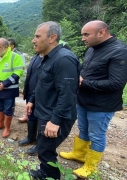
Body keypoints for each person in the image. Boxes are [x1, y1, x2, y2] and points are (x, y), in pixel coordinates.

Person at [59, 20, 127, 179]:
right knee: (83, 129)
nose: (83, 38)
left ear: (101, 32)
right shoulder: (92, 48)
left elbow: (116, 83)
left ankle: (90, 166)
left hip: (102, 105)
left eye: (86, 34)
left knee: (96, 135)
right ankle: (79, 154)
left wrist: (84, 82)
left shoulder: (119, 51)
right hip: (84, 99)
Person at [26, 21, 80, 180]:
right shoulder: (48, 57)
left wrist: (55, 121)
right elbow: (42, 82)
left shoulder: (64, 59)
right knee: (43, 147)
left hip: (55, 115)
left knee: (45, 150)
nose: (33, 40)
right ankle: (44, 172)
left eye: (37, 36)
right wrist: (32, 100)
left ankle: (51, 176)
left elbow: (68, 94)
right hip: (45, 112)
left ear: (52, 38)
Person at [0, 38, 24, 138]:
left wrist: (5, 84)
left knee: (8, 109)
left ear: (6, 48)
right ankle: (0, 124)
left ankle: (7, 128)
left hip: (9, 89)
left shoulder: (15, 57)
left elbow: (18, 73)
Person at [17, 53, 43, 156]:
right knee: (30, 115)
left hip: (41, 95)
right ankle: (31, 137)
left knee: (41, 118)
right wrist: (26, 89)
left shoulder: (50, 57)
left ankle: (39, 144)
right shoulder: (36, 56)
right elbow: (29, 74)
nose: (34, 41)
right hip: (30, 93)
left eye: (37, 37)